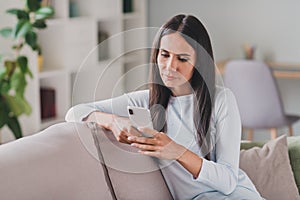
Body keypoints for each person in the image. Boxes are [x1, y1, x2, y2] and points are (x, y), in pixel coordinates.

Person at [66, 14, 263, 200]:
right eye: (165, 54)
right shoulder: (146, 102)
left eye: (182, 59)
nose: (170, 67)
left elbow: (228, 182)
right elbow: (74, 112)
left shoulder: (222, 99)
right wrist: (113, 121)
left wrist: (176, 151)